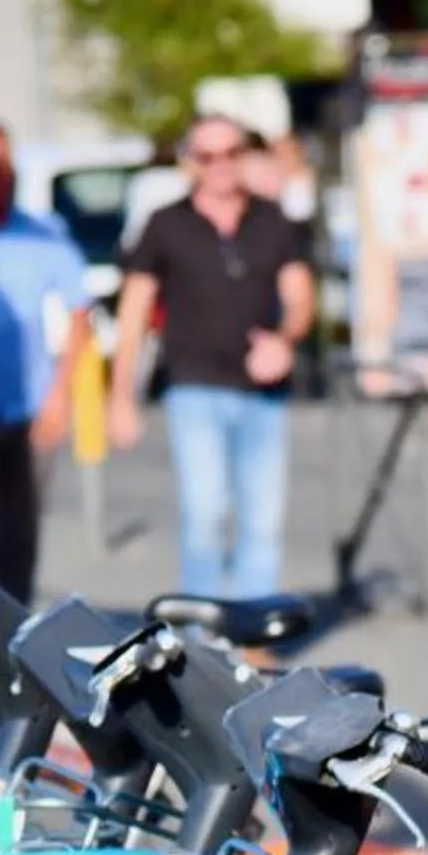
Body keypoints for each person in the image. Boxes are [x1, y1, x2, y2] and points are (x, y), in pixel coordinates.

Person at [108, 115, 314, 600]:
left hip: (263, 393)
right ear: (190, 163)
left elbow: (302, 300)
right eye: (207, 156)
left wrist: (284, 338)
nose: (220, 165)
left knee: (262, 518)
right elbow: (133, 314)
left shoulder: (273, 220)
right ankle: (202, 637)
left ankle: (251, 636)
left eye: (231, 153)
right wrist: (120, 396)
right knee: (203, 514)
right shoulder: (165, 225)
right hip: (193, 386)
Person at [0, 121, 94, 603]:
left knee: (19, 525)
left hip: (29, 398)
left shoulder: (40, 235)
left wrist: (61, 395)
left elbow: (80, 313)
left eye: (4, 162)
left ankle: (12, 621)